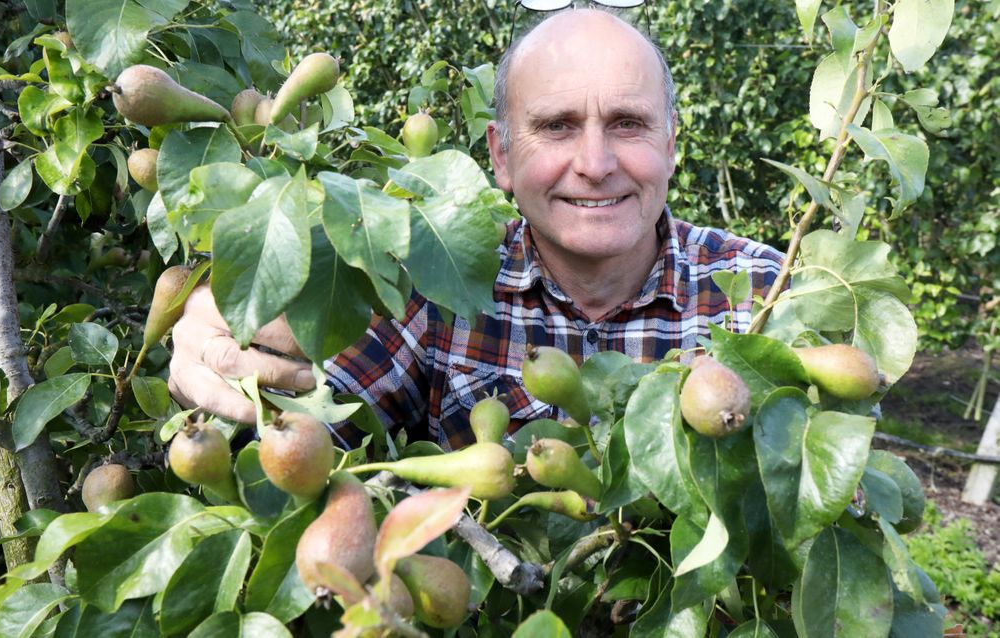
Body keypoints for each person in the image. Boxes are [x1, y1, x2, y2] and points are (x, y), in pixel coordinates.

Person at [167, 8, 783, 450]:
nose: (595, 165)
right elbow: (308, 428)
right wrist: (229, 354)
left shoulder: (768, 292)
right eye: (558, 126)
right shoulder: (433, 285)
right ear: (501, 157)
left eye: (628, 123)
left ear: (671, 145)